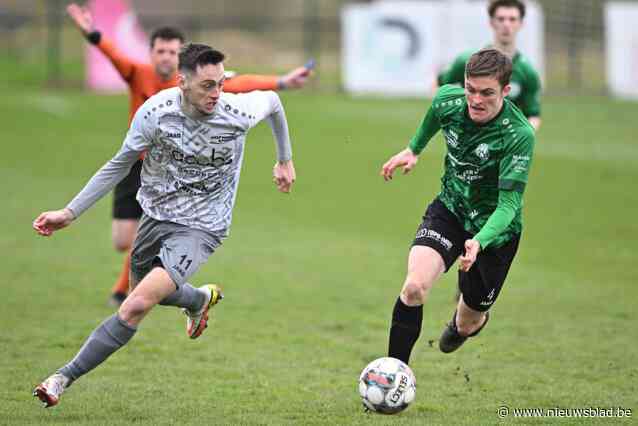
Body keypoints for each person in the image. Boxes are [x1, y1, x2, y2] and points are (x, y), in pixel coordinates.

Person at [32, 42, 296, 408]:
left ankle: (62, 377)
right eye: (207, 85)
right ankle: (200, 298)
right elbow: (119, 164)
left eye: (221, 83)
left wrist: (284, 160)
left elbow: (273, 103)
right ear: (182, 82)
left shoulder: (235, 110)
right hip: (154, 217)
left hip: (203, 226)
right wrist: (70, 212)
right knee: (154, 294)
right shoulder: (155, 113)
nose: (217, 93)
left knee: (135, 305)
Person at [66, 3, 312, 306]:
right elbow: (113, 54)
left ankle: (127, 290)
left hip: (171, 172)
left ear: (180, 57)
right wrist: (91, 33)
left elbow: (244, 84)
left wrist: (282, 82)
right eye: (161, 51)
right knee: (121, 241)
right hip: (136, 165)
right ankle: (156, 286)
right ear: (151, 53)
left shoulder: (197, 86)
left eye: (172, 52)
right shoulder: (138, 74)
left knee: (153, 232)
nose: (166, 57)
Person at [381, 48, 535, 364]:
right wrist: (414, 149)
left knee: (469, 322)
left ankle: (463, 325)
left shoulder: (518, 135)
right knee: (413, 288)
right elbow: (433, 116)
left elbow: (508, 206)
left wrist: (479, 241)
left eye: (487, 93)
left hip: (495, 233)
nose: (476, 100)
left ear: (505, 91)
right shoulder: (448, 100)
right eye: (471, 90)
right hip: (450, 209)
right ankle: (394, 372)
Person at [435, 0, 542, 130]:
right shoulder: (467, 60)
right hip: (467, 141)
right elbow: (440, 86)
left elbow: (533, 116)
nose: (506, 24)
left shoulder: (528, 72)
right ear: (491, 22)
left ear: (521, 24)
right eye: (501, 19)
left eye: (512, 19)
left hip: (502, 143)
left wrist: (519, 138)